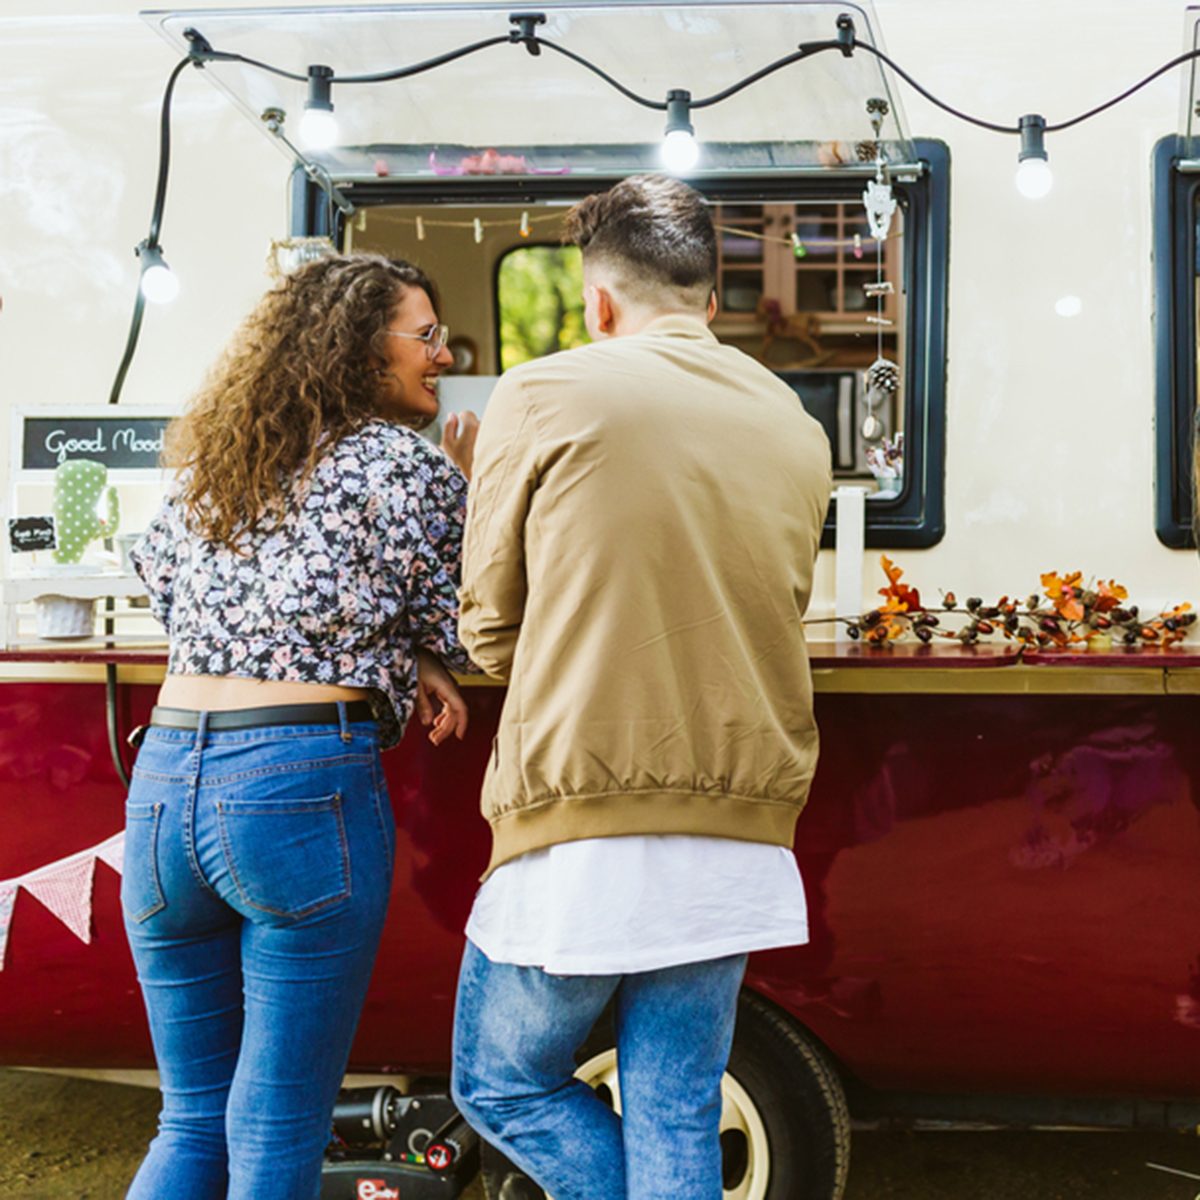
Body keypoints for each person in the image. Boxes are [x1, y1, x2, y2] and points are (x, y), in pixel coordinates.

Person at [449, 174, 833, 1200]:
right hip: (741, 827)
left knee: (502, 1084)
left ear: (601, 305)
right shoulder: (797, 426)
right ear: (711, 303)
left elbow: (487, 630)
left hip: (583, 821)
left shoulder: (542, 393)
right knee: (673, 1106)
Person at [122, 253, 477, 1200]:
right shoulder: (405, 467)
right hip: (295, 785)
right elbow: (471, 626)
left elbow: (169, 587)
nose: (444, 355)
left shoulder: (217, 464)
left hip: (161, 788)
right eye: (427, 336)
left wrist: (396, 650)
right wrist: (464, 493)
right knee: (277, 1123)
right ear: (365, 351)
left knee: (191, 1117)